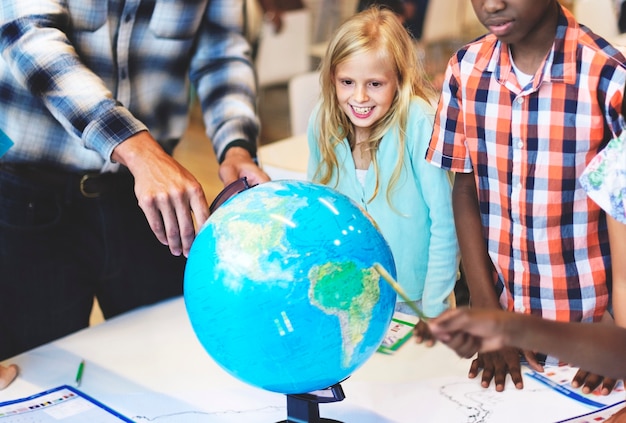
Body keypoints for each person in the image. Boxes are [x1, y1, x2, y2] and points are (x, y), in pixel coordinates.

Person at [0, 0, 270, 362]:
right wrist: (136, 148)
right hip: (31, 197)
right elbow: (30, 38)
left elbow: (222, 55)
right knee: (45, 369)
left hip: (148, 203)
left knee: (175, 357)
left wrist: (236, 145)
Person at [425, 0, 626, 393]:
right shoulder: (465, 70)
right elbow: (465, 188)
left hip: (592, 337)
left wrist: (616, 333)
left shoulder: (609, 79)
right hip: (508, 339)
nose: (492, 4)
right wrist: (485, 308)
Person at [307, 7, 460, 319]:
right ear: (333, 78)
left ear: (398, 80)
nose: (359, 97)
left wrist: (435, 310)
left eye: (375, 84)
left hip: (416, 301)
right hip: (351, 297)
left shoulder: (419, 122)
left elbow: (446, 223)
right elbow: (317, 214)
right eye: (347, 82)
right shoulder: (322, 121)